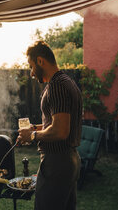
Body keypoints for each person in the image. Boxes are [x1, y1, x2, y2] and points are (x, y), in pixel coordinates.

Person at [18, 41, 83, 210]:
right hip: (67, 160)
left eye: (31, 66)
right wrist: (34, 128)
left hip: (57, 162)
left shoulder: (57, 86)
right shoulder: (66, 81)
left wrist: (32, 136)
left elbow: (60, 131)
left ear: (40, 61)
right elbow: (55, 124)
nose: (32, 73)